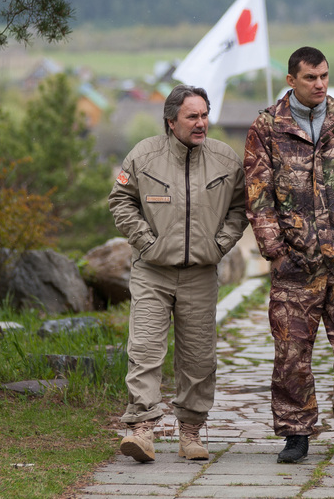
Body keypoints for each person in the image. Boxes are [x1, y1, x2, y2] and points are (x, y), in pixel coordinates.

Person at [244, 46, 334, 464]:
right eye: (310, 77)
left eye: (324, 75)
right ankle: (296, 431)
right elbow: (258, 195)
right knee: (292, 350)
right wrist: (275, 250)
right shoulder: (268, 127)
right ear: (291, 80)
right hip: (295, 261)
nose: (320, 84)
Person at [109, 84, 248, 463]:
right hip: (152, 271)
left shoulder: (225, 160)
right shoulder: (144, 155)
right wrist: (146, 241)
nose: (201, 123)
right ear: (171, 121)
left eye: (204, 115)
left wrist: (220, 244)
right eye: (193, 116)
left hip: (201, 274)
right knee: (145, 351)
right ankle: (142, 430)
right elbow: (120, 200)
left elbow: (241, 207)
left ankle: (190, 432)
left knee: (199, 357)